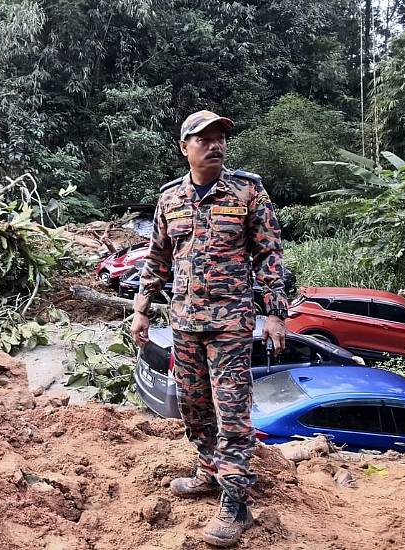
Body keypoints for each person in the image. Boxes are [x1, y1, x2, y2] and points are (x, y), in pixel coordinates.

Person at [131, 110, 288, 547]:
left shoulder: (247, 192)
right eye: (204, 138)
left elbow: (270, 255)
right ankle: (209, 469)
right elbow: (157, 259)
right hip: (183, 322)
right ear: (185, 148)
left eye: (220, 137)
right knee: (195, 407)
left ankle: (237, 501)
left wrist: (274, 312)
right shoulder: (170, 200)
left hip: (231, 324)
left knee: (232, 411)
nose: (214, 144)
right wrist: (142, 309)